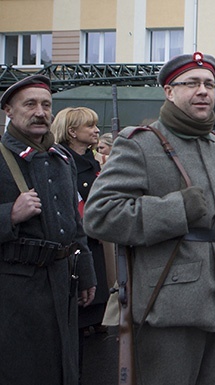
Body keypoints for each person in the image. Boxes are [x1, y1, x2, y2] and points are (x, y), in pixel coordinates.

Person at [82, 52, 215, 385]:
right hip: (168, 306)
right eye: (191, 83)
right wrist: (177, 209)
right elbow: (100, 215)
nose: (203, 91)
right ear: (169, 91)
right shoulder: (141, 145)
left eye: (209, 83)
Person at [0, 75, 97, 384]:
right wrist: (9, 215)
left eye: (46, 105)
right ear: (9, 111)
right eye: (30, 104)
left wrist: (86, 273)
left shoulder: (61, 158)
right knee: (23, 369)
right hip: (15, 288)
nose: (40, 112)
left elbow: (74, 222)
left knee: (64, 366)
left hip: (61, 280)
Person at [50, 106, 111, 380]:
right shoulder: (59, 162)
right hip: (71, 254)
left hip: (94, 252)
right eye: (90, 126)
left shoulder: (92, 163)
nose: (96, 130)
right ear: (72, 132)